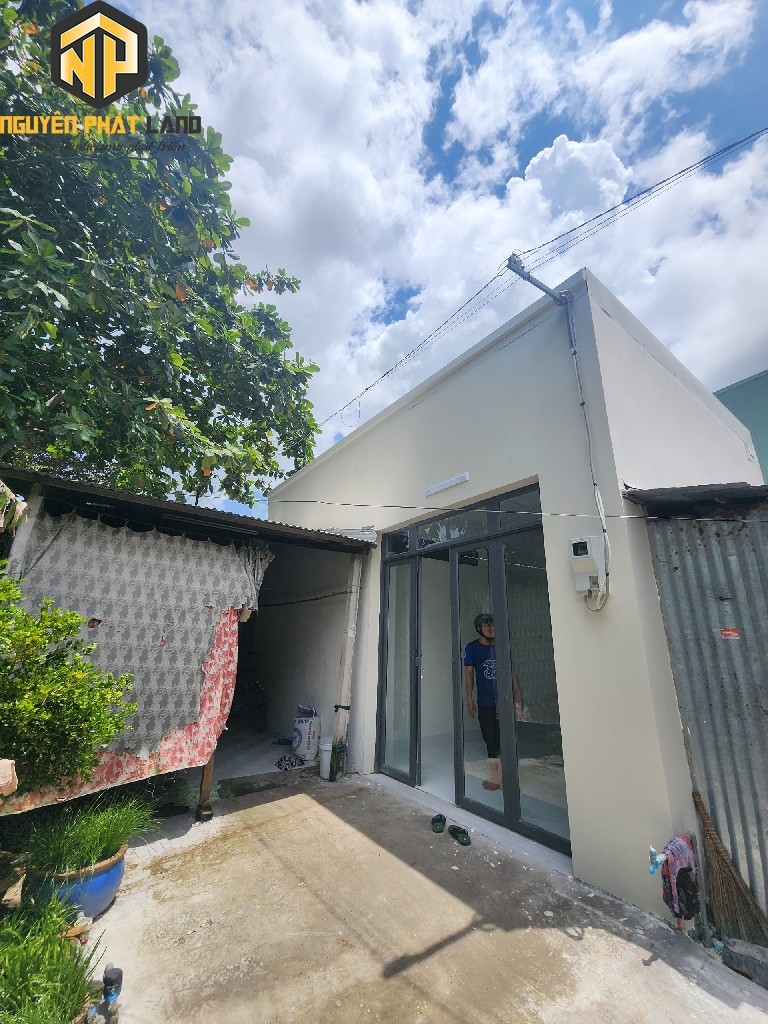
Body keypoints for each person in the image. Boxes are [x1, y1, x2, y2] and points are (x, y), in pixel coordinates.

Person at [464, 613, 501, 791]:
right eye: (487, 626)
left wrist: (517, 693)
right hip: (486, 702)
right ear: (479, 628)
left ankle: (499, 776)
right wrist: (469, 699)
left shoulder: (500, 646)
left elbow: (511, 670)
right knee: (490, 739)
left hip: (503, 701)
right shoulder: (472, 648)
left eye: (492, 625)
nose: (491, 628)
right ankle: (497, 774)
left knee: (504, 738)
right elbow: (469, 674)